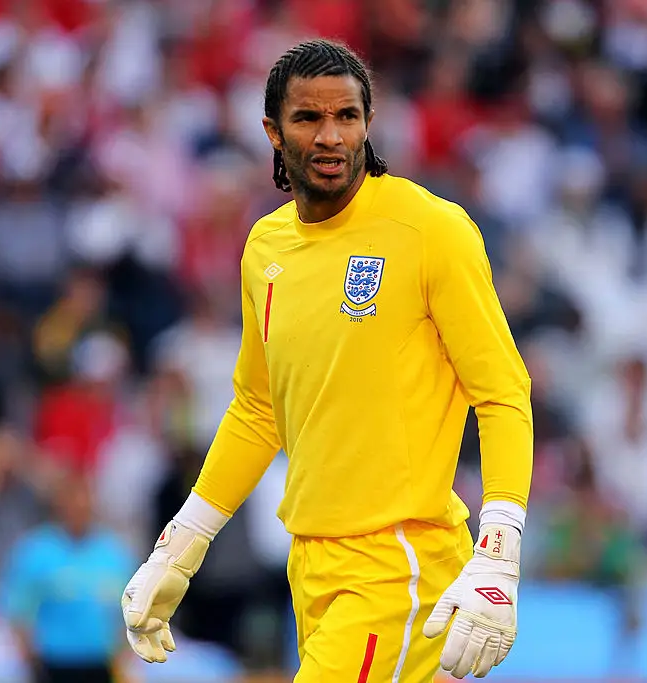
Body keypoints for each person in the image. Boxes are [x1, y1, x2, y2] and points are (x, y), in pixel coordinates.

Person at [120, 39, 533, 682]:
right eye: (308, 118)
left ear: (369, 123)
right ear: (272, 131)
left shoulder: (430, 230)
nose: (331, 135)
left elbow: (504, 391)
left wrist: (500, 551)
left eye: (347, 116)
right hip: (310, 565)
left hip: (398, 563)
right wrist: (179, 547)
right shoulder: (266, 247)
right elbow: (258, 409)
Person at [0, 471, 135, 683]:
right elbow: (19, 612)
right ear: (59, 505)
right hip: (52, 665)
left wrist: (124, 657)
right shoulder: (36, 551)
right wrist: (31, 663)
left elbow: (129, 612)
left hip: (101, 665)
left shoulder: (115, 553)